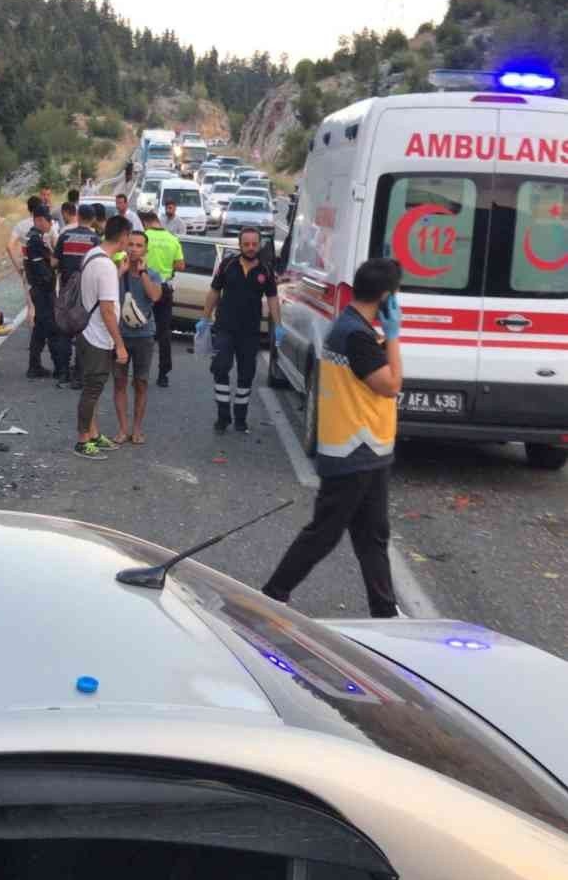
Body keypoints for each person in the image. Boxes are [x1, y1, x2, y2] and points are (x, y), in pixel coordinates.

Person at [261, 258, 403, 619]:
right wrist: (395, 336)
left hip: (369, 451)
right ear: (386, 297)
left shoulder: (354, 328)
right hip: (353, 451)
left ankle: (385, 611)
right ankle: (272, 595)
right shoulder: (355, 335)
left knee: (372, 536)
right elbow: (391, 385)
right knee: (324, 533)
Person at [201, 226, 283, 434]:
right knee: (220, 368)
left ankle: (240, 419)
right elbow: (214, 291)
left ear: (259, 245)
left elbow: (273, 299)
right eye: (246, 244)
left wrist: (278, 325)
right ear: (239, 245)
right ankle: (223, 417)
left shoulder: (265, 271)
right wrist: (204, 318)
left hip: (250, 332)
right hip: (225, 328)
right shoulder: (227, 265)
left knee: (246, 375)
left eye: (254, 244)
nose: (250, 248)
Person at [74, 215, 129, 460]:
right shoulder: (105, 266)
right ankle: (82, 440)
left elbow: (98, 291)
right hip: (97, 336)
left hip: (86, 331)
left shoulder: (92, 255)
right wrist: (120, 345)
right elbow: (107, 310)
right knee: (92, 390)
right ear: (123, 237)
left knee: (93, 389)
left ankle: (94, 434)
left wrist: (119, 272)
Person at [113, 228, 162, 444]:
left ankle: (137, 429)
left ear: (145, 250)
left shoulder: (152, 274)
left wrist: (142, 273)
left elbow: (155, 296)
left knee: (141, 382)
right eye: (130, 244)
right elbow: (105, 293)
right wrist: (120, 272)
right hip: (120, 335)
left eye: (139, 245)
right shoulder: (117, 270)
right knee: (119, 382)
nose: (133, 249)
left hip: (144, 335)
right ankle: (123, 429)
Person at [56, 203, 100, 388]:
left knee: (65, 330)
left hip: (67, 289)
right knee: (83, 331)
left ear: (78, 216)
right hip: (86, 292)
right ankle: (79, 376)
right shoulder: (95, 239)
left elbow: (54, 262)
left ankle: (63, 373)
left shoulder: (65, 236)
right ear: (93, 219)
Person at [26, 205, 70, 382]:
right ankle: (60, 368)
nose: (50, 224)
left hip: (40, 290)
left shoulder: (35, 238)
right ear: (38, 220)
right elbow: (43, 268)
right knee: (52, 329)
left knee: (39, 329)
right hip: (43, 291)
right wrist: (51, 275)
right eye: (48, 221)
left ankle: (34, 366)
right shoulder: (35, 240)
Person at [141, 210, 185, 387]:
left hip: (144, 287)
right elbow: (180, 265)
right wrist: (167, 267)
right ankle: (163, 375)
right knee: (164, 332)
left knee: (139, 327)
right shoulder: (172, 239)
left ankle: (139, 371)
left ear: (145, 223)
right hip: (165, 289)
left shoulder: (144, 237)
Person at [7, 195, 45, 322]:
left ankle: (34, 332)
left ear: (29, 209)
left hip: (28, 267)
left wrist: (18, 267)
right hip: (45, 267)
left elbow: (9, 246)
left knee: (31, 307)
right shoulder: (47, 223)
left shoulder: (20, 225)